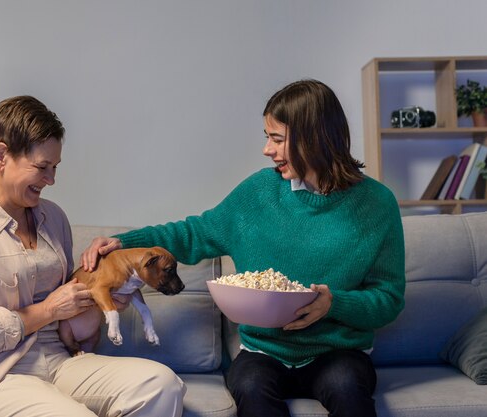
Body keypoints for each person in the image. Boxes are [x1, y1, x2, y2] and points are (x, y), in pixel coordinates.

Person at [81, 80, 405, 417]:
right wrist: (123, 242)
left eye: (277, 139)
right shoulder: (258, 193)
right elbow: (194, 233)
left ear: (315, 138)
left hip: (340, 353)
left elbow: (389, 299)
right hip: (263, 353)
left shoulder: (377, 204)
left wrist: (333, 304)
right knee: (251, 389)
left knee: (347, 388)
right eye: (268, 138)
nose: (267, 149)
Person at [0, 95, 186, 417]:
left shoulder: (54, 218)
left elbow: (73, 309)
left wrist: (103, 302)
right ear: (1, 156)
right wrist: (47, 310)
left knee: (161, 385)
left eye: (55, 167)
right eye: (42, 167)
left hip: (60, 361)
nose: (52, 180)